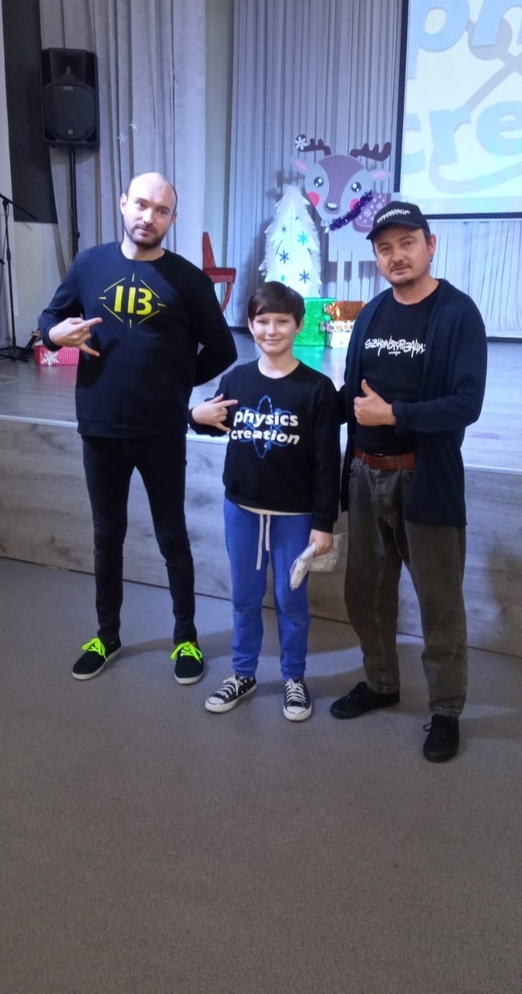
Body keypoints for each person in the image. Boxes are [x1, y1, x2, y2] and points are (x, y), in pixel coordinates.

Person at [37, 172, 237, 684]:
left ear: (172, 218)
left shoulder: (188, 279)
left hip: (160, 431)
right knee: (107, 536)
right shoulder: (89, 264)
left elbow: (222, 348)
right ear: (123, 203)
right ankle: (106, 635)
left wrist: (175, 383)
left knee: (172, 537)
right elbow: (50, 319)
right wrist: (55, 334)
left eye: (162, 210)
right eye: (142, 205)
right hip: (100, 428)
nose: (149, 217)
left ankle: (186, 638)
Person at [329, 200, 487, 762]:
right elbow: (352, 397)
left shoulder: (458, 313)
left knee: (439, 603)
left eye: (407, 243)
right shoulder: (372, 313)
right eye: (385, 248)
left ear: (430, 245)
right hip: (364, 475)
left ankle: (446, 710)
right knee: (366, 594)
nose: (396, 256)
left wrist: (394, 414)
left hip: (425, 479)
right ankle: (381, 683)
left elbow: (466, 404)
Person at [189, 281, 340, 721]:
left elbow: (327, 463)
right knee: (244, 598)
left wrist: (324, 522)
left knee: (291, 602)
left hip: (295, 515)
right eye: (262, 321)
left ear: (298, 325)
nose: (271, 330)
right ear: (250, 324)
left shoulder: (317, 388)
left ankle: (294, 677)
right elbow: (211, 420)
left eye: (281, 321)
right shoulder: (236, 379)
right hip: (242, 511)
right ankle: (243, 673)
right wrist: (194, 415)